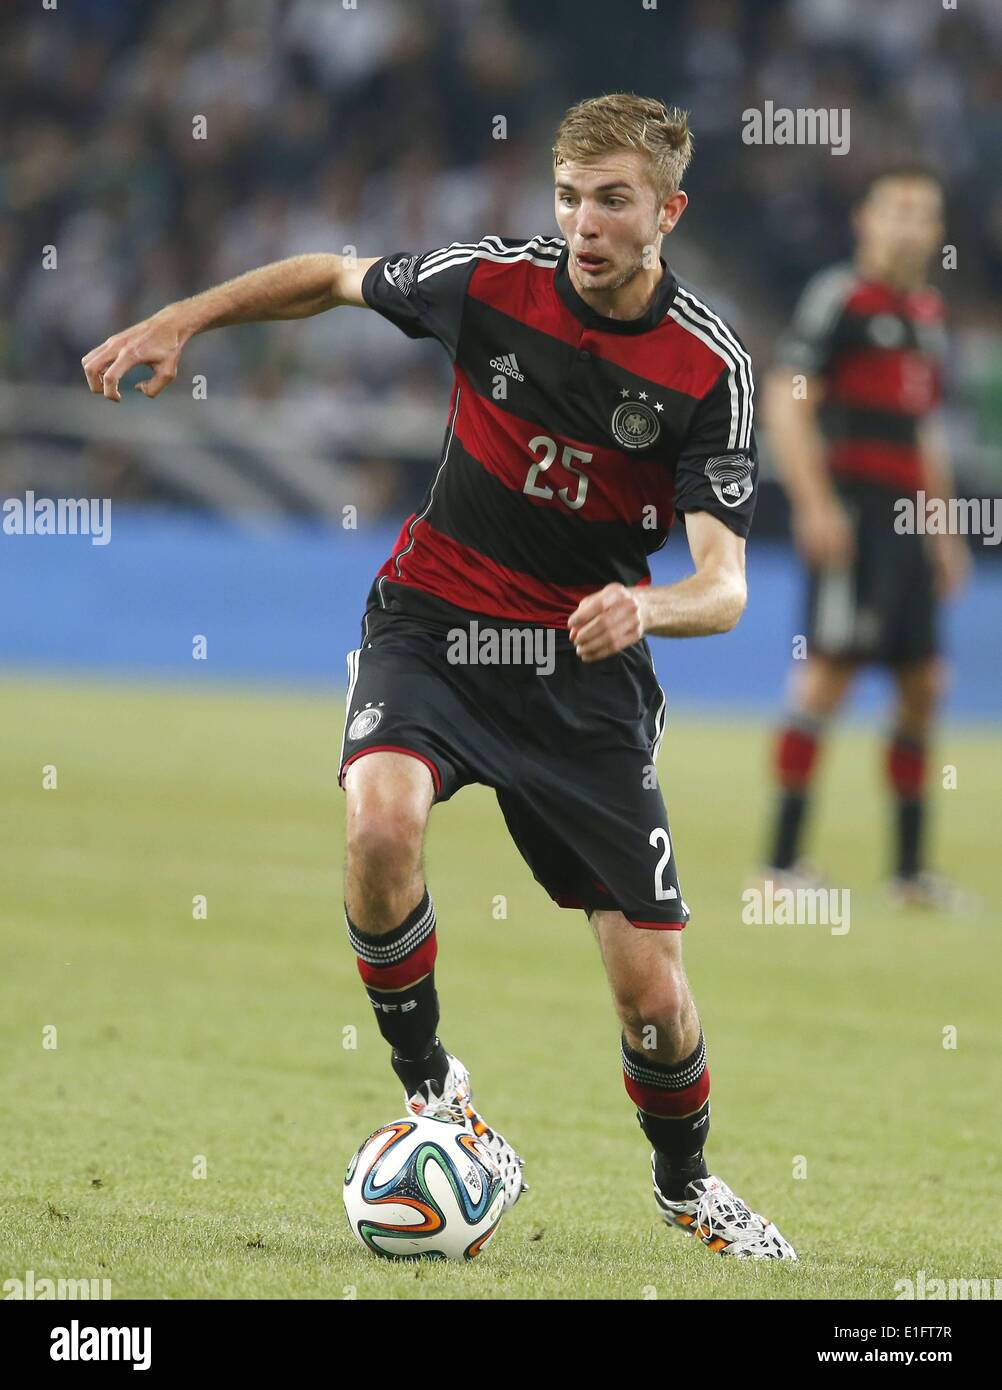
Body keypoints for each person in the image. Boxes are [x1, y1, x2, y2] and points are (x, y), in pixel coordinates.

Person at [82, 93, 795, 1259]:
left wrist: (648, 604)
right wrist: (184, 319)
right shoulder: (490, 281)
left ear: (669, 210)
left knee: (654, 1000)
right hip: (437, 620)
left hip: (580, 668)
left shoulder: (708, 367)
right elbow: (330, 274)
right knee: (378, 825)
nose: (585, 222)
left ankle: (687, 1184)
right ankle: (436, 1089)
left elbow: (726, 587)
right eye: (570, 197)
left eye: (614, 200)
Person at [762, 165, 970, 906]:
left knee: (924, 685)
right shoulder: (839, 299)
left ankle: (909, 876)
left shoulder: (925, 314)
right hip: (854, 512)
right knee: (828, 672)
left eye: (925, 213)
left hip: (907, 524)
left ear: (938, 232)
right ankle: (779, 868)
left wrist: (944, 532)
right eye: (897, 211)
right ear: (866, 221)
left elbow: (924, 431)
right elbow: (787, 405)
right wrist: (815, 505)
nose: (911, 226)